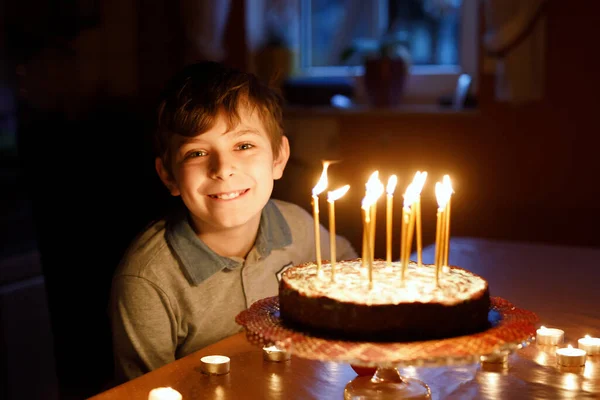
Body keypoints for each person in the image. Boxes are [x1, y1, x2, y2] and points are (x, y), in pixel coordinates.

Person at [109, 61, 357, 382]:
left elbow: (354, 279)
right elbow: (146, 391)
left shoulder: (299, 226)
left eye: (243, 145)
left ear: (278, 158)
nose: (223, 168)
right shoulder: (147, 282)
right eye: (197, 153)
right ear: (169, 175)